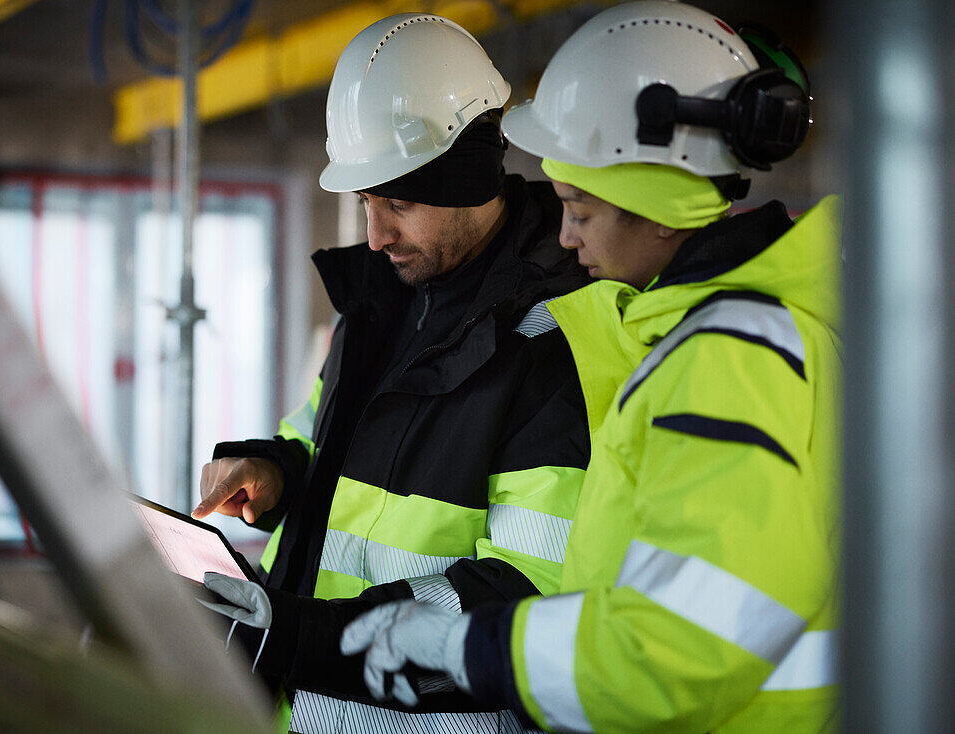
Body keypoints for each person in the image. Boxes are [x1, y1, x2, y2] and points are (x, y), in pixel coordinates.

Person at [341, 2, 841, 732]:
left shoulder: (729, 362)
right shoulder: (721, 334)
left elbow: (676, 649)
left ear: (661, 209)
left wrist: (469, 645)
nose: (565, 234)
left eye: (578, 205)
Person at [192, 12, 591, 733]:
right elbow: (319, 443)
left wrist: (297, 633)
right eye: (367, 202)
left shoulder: (550, 341)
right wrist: (274, 469)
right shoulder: (377, 306)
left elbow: (523, 589)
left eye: (398, 203)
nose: (375, 236)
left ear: (470, 175)